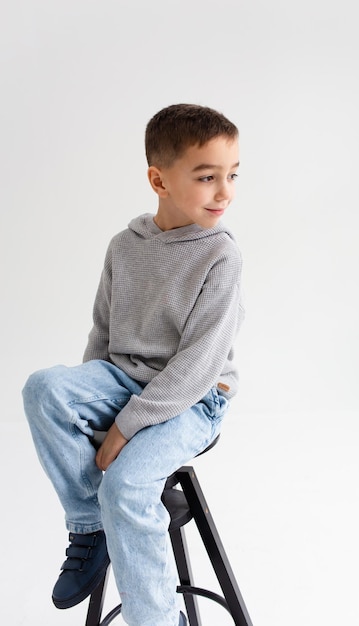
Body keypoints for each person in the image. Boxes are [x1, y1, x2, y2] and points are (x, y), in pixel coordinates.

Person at [22, 103, 244, 626]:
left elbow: (197, 364)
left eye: (232, 175)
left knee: (125, 485)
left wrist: (123, 427)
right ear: (158, 180)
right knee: (43, 388)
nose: (225, 192)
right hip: (123, 380)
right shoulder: (125, 246)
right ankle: (90, 525)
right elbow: (102, 333)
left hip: (193, 398)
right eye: (207, 176)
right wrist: (89, 409)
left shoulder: (220, 255)